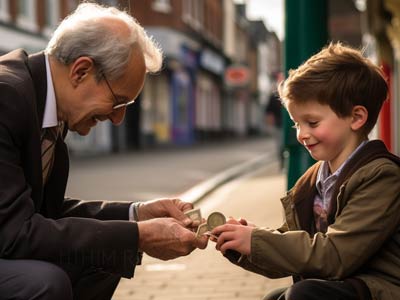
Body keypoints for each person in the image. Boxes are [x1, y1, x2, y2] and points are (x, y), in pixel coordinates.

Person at [0, 3, 207, 300]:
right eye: (118, 101)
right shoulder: (6, 96)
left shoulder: (46, 101)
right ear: (81, 71)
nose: (118, 118)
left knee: (104, 255)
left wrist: (137, 215)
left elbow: (45, 212)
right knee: (45, 282)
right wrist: (140, 236)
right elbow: (14, 232)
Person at [211, 42, 400, 300]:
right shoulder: (314, 179)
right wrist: (242, 244)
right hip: (343, 284)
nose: (302, 134)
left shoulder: (381, 176)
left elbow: (335, 254)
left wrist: (256, 240)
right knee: (276, 298)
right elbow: (293, 248)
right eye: (296, 124)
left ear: (356, 118)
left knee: (303, 294)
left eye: (312, 122)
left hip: (379, 288)